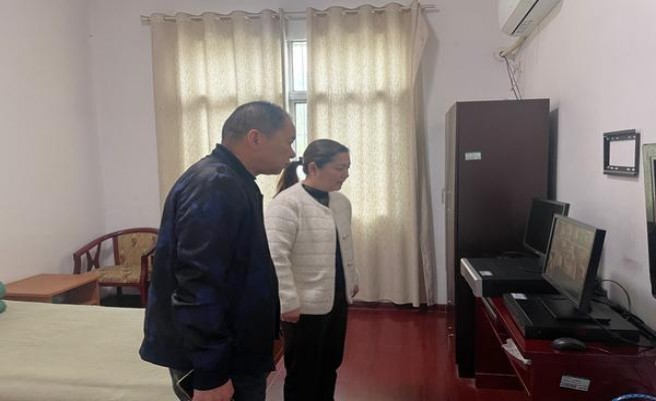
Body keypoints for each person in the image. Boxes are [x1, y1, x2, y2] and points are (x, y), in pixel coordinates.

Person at [140, 101, 296, 401]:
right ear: (255, 138)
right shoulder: (217, 183)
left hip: (233, 348)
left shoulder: (230, 179)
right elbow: (198, 284)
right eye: (288, 141)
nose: (291, 152)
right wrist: (211, 372)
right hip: (224, 359)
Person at [264, 138, 359, 401]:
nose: (345, 174)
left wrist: (353, 278)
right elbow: (276, 257)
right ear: (314, 167)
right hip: (303, 306)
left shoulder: (341, 202)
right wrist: (287, 301)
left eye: (347, 167)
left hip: (336, 299)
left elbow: (345, 245)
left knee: (330, 362)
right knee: (303, 372)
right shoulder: (286, 204)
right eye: (339, 168)